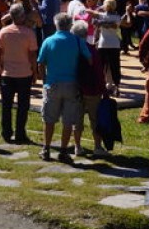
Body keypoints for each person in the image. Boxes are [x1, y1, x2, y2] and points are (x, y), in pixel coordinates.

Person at [37, 12, 90, 162]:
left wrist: (44, 80)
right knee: (68, 121)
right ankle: (63, 151)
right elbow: (89, 59)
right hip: (72, 84)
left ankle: (46, 149)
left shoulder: (49, 40)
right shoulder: (77, 41)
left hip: (52, 83)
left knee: (49, 119)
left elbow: (40, 62)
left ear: (56, 24)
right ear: (70, 25)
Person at [0, 2, 38, 144]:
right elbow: (32, 55)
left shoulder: (4, 31)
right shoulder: (29, 33)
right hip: (24, 73)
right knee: (23, 106)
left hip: (7, 73)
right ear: (22, 16)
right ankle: (20, 133)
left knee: (6, 105)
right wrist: (35, 72)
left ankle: (6, 132)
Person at [71, 19, 109, 158]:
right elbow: (99, 72)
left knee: (77, 119)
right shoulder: (92, 50)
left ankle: (77, 146)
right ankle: (97, 146)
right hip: (92, 90)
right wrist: (104, 90)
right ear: (86, 34)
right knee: (95, 119)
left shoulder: (71, 51)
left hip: (76, 89)